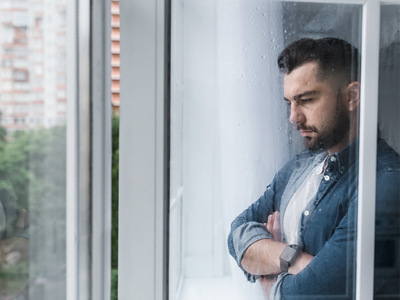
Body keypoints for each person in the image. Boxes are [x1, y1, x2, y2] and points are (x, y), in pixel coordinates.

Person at [227, 37, 400, 299]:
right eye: (290, 102)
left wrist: (271, 281)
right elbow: (238, 231)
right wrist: (291, 259)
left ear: (352, 97)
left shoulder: (386, 181)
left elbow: (312, 293)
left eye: (306, 100)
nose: (293, 117)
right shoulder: (301, 165)